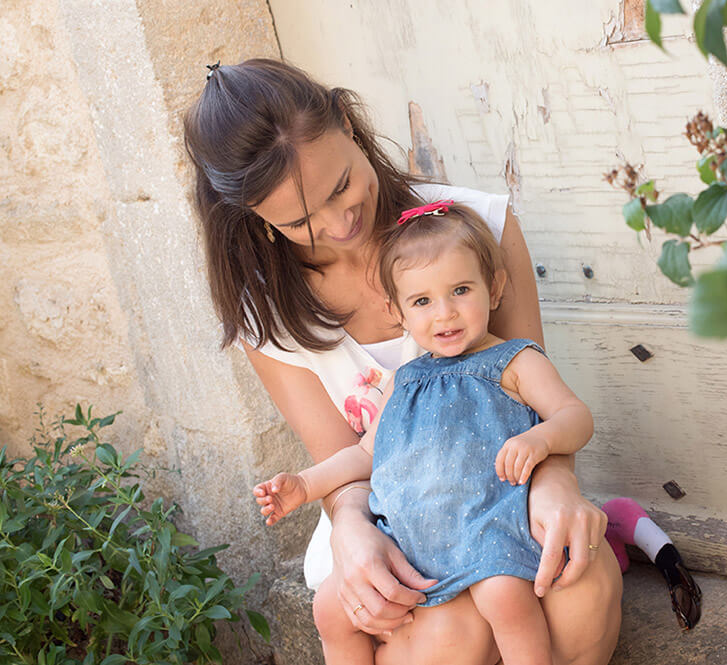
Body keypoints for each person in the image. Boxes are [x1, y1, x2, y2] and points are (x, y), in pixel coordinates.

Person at [183, 58, 622, 665]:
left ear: (347, 121)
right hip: (383, 514)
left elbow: (531, 393)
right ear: (254, 218)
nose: (339, 224)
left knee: (578, 587)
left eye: (340, 186)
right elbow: (345, 464)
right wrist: (352, 532)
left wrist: (555, 485)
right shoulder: (266, 311)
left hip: (498, 493)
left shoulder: (474, 229)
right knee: (448, 637)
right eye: (299, 221)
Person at [254, 201, 595, 665]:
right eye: (422, 301)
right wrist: (307, 484)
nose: (445, 314)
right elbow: (364, 455)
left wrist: (542, 439)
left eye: (460, 290)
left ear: (493, 288)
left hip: (484, 525)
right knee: (330, 608)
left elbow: (575, 416)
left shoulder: (513, 362)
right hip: (407, 537)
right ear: (398, 311)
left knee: (505, 598)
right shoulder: (406, 380)